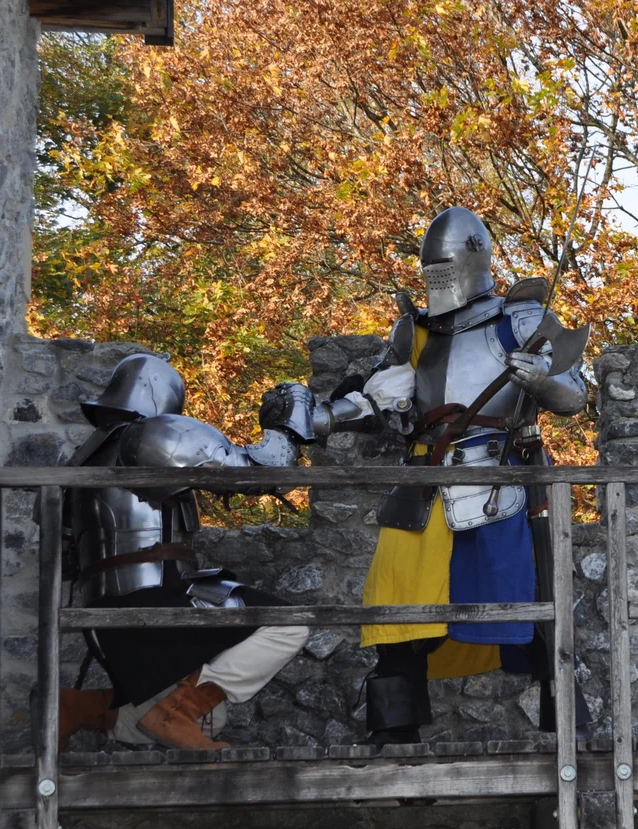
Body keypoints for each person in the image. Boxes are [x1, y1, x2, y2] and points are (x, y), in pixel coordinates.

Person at [282, 206, 591, 747]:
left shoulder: (520, 321)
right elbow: (377, 396)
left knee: (533, 607)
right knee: (395, 608)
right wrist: (328, 416)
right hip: (422, 483)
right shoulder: (413, 330)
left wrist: (541, 380)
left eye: (444, 267)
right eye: (430, 270)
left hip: (499, 485)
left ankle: (568, 733)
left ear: (473, 260)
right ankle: (395, 735)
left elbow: (576, 396)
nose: (437, 280)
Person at [57, 354, 313, 751]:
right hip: (148, 600)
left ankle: (84, 708)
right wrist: (294, 420)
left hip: (103, 614)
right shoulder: (151, 435)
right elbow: (264, 469)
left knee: (212, 721)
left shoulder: (87, 456)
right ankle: (176, 711)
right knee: (287, 623)